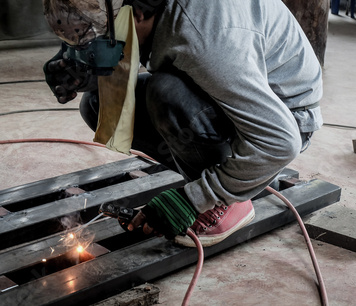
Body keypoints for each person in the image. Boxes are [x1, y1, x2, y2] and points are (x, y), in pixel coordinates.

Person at [42, 0, 323, 247]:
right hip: (231, 95)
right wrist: (86, 67)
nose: (101, 48)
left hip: (280, 120)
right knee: (97, 105)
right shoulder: (150, 10)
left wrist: (194, 198)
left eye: (104, 41)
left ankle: (227, 200)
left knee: (166, 95)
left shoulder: (203, 36)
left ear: (137, 14)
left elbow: (281, 143)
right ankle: (227, 175)